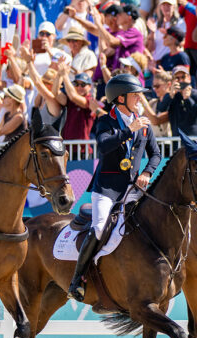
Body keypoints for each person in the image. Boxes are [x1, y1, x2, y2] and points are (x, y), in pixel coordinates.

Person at [67, 73, 161, 301]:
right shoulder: (105, 121)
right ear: (120, 98)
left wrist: (147, 172)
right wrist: (130, 130)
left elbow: (156, 154)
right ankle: (77, 279)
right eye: (135, 94)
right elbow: (104, 145)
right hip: (107, 188)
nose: (140, 98)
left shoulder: (144, 124)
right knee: (99, 228)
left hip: (132, 188)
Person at [141, 65, 197, 136]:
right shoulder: (172, 96)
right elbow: (161, 108)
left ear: (189, 78)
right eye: (177, 78)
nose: (181, 80)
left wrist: (187, 99)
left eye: (183, 77)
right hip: (179, 140)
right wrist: (170, 95)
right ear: (173, 81)